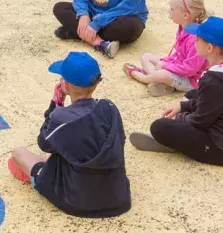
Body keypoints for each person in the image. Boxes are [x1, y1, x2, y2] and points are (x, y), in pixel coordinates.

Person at [130, 17, 223, 166]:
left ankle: (171, 142)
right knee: (193, 94)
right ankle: (179, 136)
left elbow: (199, 121)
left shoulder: (214, 79)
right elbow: (216, 102)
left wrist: (179, 117)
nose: (194, 42)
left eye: (197, 39)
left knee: (159, 126)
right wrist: (183, 106)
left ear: (209, 48)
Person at [9, 51, 131, 217]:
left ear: (65, 84)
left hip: (77, 203)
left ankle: (39, 176)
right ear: (96, 83)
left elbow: (44, 143)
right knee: (71, 147)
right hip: (119, 199)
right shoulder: (109, 108)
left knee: (18, 153)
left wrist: (56, 103)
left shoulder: (61, 117)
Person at [124, 0, 209, 96]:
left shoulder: (195, 39)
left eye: (172, 9)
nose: (169, 11)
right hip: (177, 67)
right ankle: (161, 83)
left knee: (163, 74)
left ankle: (144, 78)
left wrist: (165, 66)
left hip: (190, 80)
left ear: (185, 15)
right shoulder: (183, 27)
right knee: (146, 57)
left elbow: (191, 69)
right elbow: (178, 55)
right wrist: (165, 62)